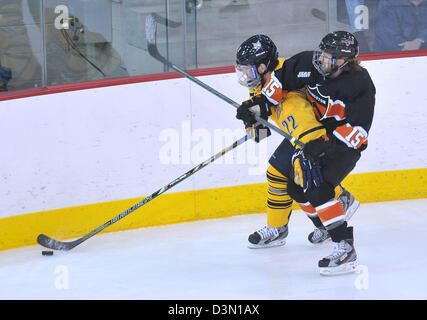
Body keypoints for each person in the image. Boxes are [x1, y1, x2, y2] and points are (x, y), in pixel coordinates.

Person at [236, 31, 376, 275]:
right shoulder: (305, 63)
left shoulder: (360, 85)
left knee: (316, 184)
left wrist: (324, 144)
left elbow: (359, 132)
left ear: (344, 60)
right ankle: (328, 221)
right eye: (321, 53)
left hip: (341, 144)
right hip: (315, 136)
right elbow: (277, 87)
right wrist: (255, 108)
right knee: (293, 185)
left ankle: (344, 247)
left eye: (328, 57)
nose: (321, 59)